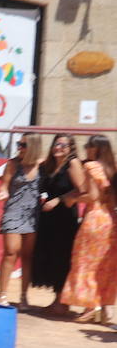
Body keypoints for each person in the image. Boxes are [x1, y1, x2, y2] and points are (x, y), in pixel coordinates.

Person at [59, 135, 117, 323]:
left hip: (94, 219)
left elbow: (91, 196)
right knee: (105, 266)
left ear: (96, 148)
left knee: (86, 263)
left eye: (88, 146)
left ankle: (90, 307)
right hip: (110, 220)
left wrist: (72, 199)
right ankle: (104, 311)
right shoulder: (112, 169)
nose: (86, 149)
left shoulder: (91, 167)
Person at [33, 134, 85, 311]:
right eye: (57, 144)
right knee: (52, 256)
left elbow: (81, 190)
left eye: (64, 145)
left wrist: (59, 200)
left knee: (62, 256)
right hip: (49, 218)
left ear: (71, 148)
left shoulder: (73, 163)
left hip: (64, 218)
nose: (59, 147)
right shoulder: (50, 165)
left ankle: (62, 302)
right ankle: (58, 299)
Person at [0, 133, 45, 307]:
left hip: (32, 214)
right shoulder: (12, 164)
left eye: (23, 145)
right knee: (10, 252)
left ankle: (24, 296)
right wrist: (3, 192)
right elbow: (4, 184)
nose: (19, 147)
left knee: (27, 256)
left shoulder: (42, 165)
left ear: (33, 147)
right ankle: (2, 293)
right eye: (19, 144)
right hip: (13, 211)